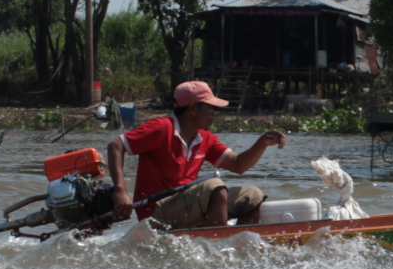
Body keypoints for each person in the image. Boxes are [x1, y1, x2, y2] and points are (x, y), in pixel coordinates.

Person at [106, 81, 287, 229]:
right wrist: (121, 191)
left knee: (253, 195)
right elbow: (116, 146)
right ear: (192, 109)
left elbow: (238, 165)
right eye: (210, 108)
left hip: (187, 206)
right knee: (215, 186)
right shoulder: (161, 128)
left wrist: (262, 143)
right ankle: (217, 245)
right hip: (155, 211)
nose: (213, 113)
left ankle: (239, 247)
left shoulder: (205, 137)